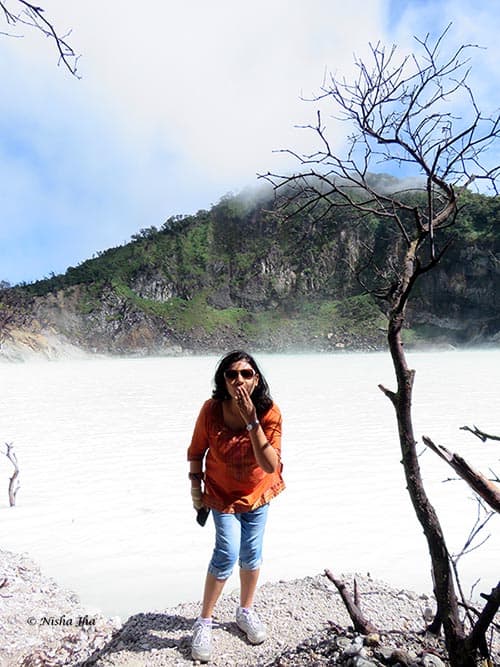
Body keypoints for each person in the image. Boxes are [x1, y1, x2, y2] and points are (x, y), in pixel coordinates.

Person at [187, 350, 285, 662]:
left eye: (245, 374)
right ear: (223, 381)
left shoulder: (269, 413)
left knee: (251, 553)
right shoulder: (211, 410)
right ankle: (204, 621)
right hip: (220, 494)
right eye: (231, 374)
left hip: (257, 492)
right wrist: (195, 489)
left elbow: (270, 465)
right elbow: (196, 450)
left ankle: (245, 611)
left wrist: (251, 420)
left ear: (256, 380)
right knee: (227, 552)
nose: (238, 380)